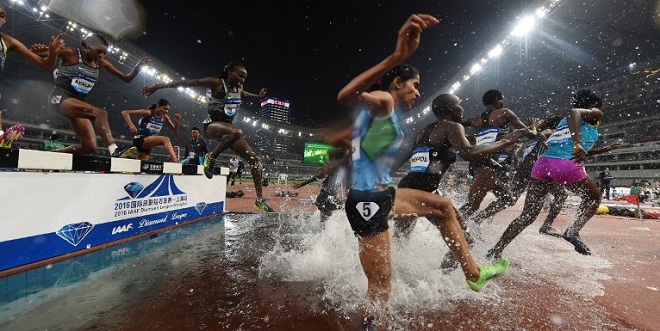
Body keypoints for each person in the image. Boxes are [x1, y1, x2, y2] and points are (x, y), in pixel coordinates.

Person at [337, 14, 508, 321]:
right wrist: (396, 57)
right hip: (368, 201)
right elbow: (346, 95)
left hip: (377, 195)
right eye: (415, 86)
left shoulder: (387, 117)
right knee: (379, 288)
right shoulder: (384, 102)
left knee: (444, 207)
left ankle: (474, 273)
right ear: (397, 82)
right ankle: (369, 325)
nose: (417, 93)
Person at [486, 89, 606, 260]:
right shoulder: (594, 114)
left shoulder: (565, 122)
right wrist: (577, 143)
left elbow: (561, 143)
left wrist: (599, 149)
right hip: (565, 165)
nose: (603, 111)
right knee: (593, 198)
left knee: (527, 216)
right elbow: (573, 114)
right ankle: (573, 231)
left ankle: (496, 250)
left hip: (542, 164)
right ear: (593, 106)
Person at [393, 93, 527, 242]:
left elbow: (397, 162)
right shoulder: (453, 126)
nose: (462, 109)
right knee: (465, 239)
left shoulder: (422, 131)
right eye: (459, 105)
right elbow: (468, 154)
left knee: (400, 241)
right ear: (452, 108)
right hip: (426, 189)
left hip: (405, 187)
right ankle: (447, 266)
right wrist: (507, 141)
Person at [143, 61, 273, 212]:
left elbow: (244, 94)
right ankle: (211, 157)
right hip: (212, 126)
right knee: (237, 132)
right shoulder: (217, 83)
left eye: (245, 77)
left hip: (228, 130)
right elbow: (188, 83)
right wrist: (157, 86)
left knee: (254, 160)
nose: (242, 79)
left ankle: (259, 200)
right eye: (240, 75)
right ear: (230, 72)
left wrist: (258, 96)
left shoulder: (239, 87)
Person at [48, 33, 150, 156]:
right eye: (99, 51)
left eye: (104, 53)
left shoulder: (101, 63)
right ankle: (114, 150)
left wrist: (137, 69)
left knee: (90, 148)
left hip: (77, 102)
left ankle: (49, 156)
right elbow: (48, 55)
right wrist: (42, 51)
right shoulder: (71, 53)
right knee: (100, 113)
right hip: (60, 97)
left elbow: (126, 79)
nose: (101, 55)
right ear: (89, 46)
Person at [458, 89, 539, 222]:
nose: (504, 101)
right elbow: (529, 134)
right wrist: (533, 127)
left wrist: (467, 138)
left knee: (508, 198)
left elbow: (457, 125)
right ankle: (447, 228)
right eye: (503, 99)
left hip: (478, 163)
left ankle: (477, 220)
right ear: (496, 100)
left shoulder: (475, 120)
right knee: (472, 205)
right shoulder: (505, 112)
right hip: (487, 165)